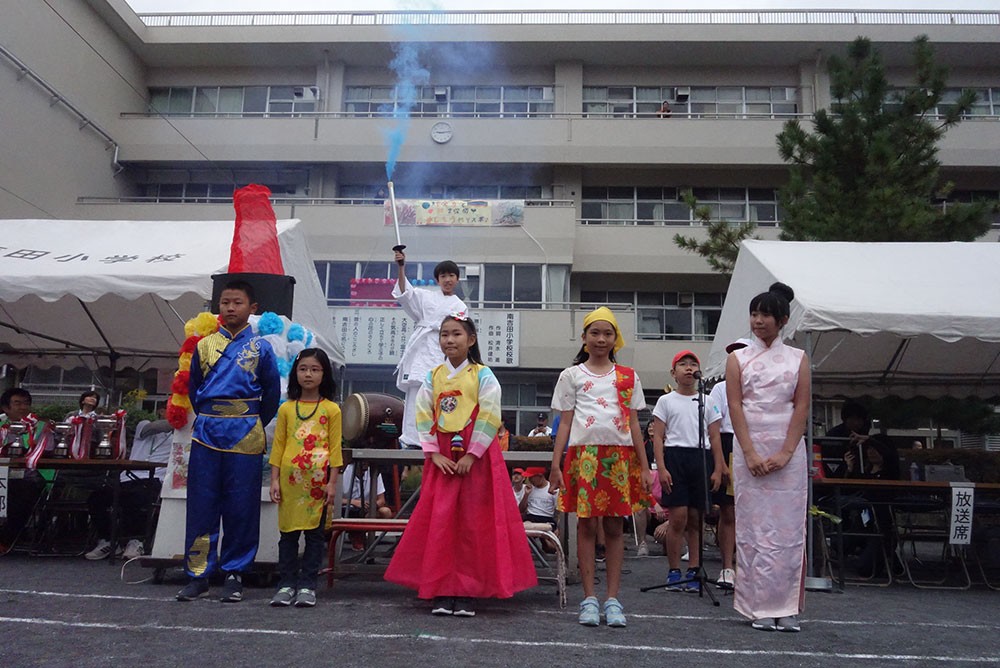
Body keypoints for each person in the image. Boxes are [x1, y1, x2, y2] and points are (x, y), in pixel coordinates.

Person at [385, 312, 536, 617]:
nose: (449, 340)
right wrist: (433, 453)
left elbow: (490, 414)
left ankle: (467, 591)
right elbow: (423, 413)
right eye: (444, 334)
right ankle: (441, 589)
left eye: (456, 334)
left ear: (471, 339)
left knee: (472, 522)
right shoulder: (433, 375)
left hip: (476, 459)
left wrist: (472, 453)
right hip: (442, 456)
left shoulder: (482, 375)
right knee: (440, 520)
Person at [176, 280, 281, 603]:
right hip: (207, 433)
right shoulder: (204, 346)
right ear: (217, 307)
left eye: (237, 302)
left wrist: (248, 421)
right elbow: (195, 391)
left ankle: (235, 573)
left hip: (245, 434)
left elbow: (271, 395)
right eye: (225, 303)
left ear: (253, 309)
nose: (230, 308)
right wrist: (213, 417)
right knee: (201, 505)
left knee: (241, 506)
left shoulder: (263, 349)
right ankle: (198, 574)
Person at [548, 306, 652, 628]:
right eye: (595, 333)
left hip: (619, 458)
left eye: (607, 333)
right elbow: (564, 423)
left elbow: (635, 424)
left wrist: (646, 468)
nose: (601, 339)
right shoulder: (571, 375)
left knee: (615, 528)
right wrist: (556, 464)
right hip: (584, 458)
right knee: (586, 526)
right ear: (584, 338)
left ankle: (613, 599)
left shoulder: (628, 377)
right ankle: (589, 599)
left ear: (615, 338)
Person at [726, 282, 810, 633]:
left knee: (789, 529)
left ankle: (786, 606)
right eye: (754, 314)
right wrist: (749, 452)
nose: (758, 321)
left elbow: (801, 404)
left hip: (787, 448)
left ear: (783, 320)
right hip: (750, 444)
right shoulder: (737, 357)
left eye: (765, 315)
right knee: (754, 529)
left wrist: (787, 452)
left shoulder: (798, 358)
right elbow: (734, 404)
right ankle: (758, 606)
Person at [267, 348, 341, 608]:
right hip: (289, 481)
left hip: (318, 483)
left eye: (315, 369)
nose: (308, 374)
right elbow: (278, 446)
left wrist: (332, 483)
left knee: (315, 536)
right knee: (287, 535)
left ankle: (308, 585)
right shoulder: (286, 409)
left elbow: (335, 449)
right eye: (303, 369)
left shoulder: (331, 409)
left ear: (325, 374)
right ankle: (286, 584)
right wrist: (274, 479)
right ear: (295, 373)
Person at [652, 350, 724, 594]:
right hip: (675, 457)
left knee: (696, 519)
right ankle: (674, 571)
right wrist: (661, 467)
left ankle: (694, 569)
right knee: (678, 517)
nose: (688, 368)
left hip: (700, 457)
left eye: (693, 364)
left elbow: (715, 436)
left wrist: (718, 467)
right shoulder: (666, 401)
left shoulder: (708, 400)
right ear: (673, 373)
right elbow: (658, 437)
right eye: (682, 364)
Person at [392, 250, 467, 451]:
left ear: (457, 279)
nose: (447, 279)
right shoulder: (425, 297)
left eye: (451, 276)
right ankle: (411, 440)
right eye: (443, 276)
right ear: (437, 279)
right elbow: (405, 294)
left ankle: (439, 439)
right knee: (417, 395)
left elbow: (460, 335)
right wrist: (401, 268)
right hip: (422, 353)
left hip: (443, 354)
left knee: (442, 397)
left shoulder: (460, 306)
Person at [85, 408, 171, 560]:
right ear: (160, 411)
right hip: (127, 478)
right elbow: (156, 427)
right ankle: (107, 540)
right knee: (96, 498)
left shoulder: (180, 435)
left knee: (137, 498)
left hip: (155, 479)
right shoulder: (144, 425)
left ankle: (135, 541)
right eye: (171, 409)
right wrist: (181, 420)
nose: (174, 413)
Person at [707, 338, 752, 589]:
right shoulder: (720, 389)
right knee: (729, 511)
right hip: (728, 443)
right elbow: (714, 428)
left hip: (756, 443)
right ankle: (727, 567)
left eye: (742, 352)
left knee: (755, 512)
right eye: (733, 354)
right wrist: (720, 462)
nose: (737, 357)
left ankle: (751, 567)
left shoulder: (761, 385)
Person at [0, 388, 47, 554]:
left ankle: (6, 538)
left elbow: (49, 451)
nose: (22, 407)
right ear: (5, 408)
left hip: (28, 476)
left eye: (26, 403)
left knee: (24, 491)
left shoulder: (40, 426)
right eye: (17, 403)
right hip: (2, 474)